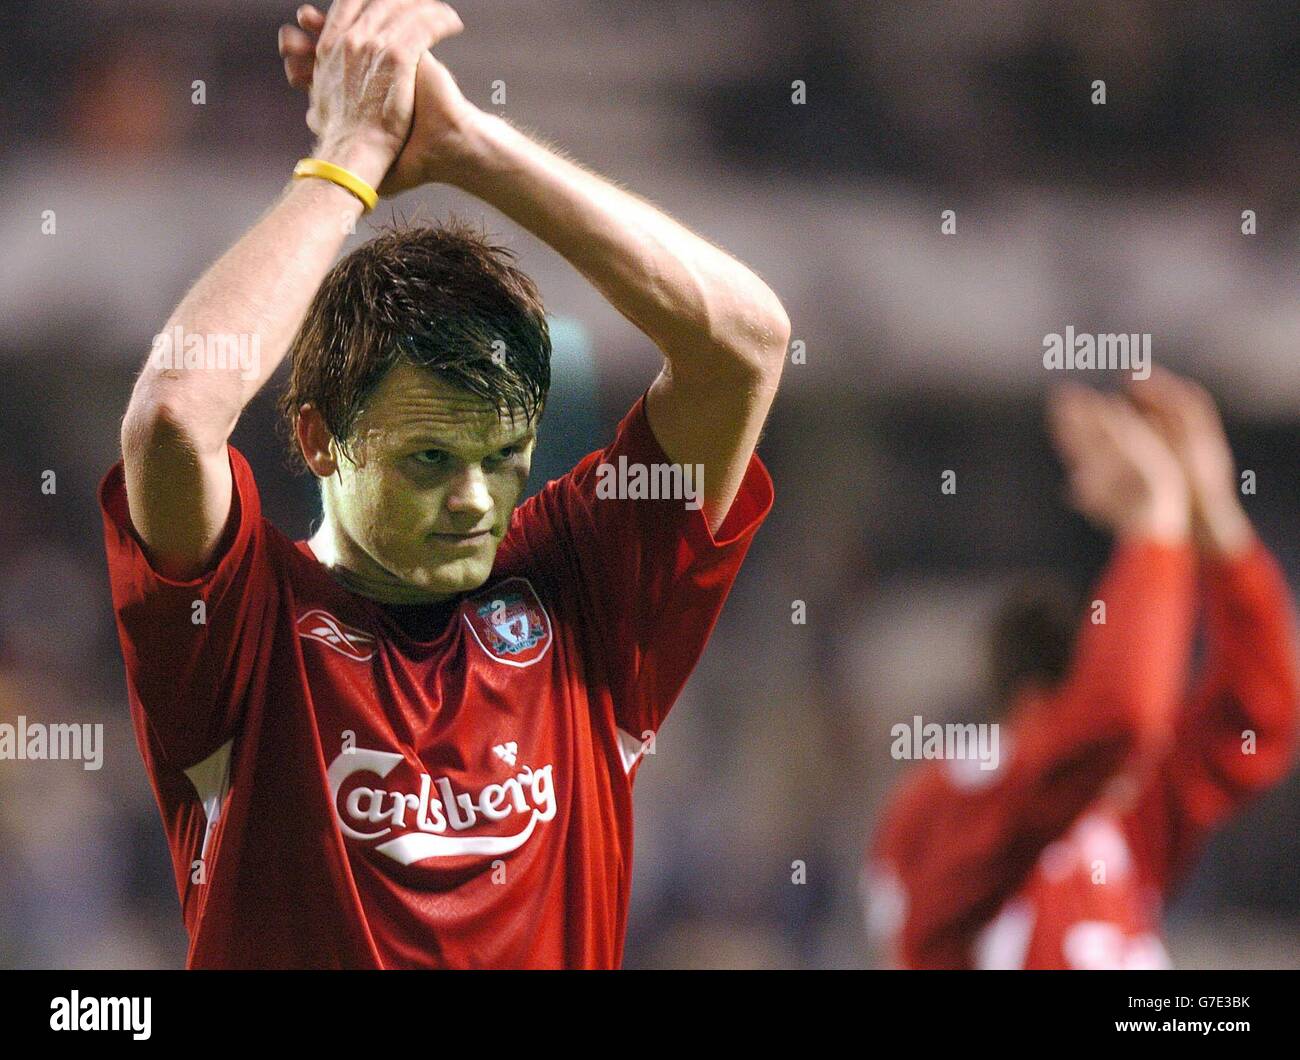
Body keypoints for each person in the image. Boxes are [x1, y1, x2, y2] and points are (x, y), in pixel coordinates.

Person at [98, 0, 789, 969]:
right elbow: (172, 417)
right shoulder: (244, 629)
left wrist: (467, 144)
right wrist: (348, 160)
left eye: (503, 456)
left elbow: (745, 345)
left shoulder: (583, 595)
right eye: (430, 459)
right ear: (321, 439)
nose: (475, 498)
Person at [866, 368, 1298, 969]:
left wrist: (1215, 522)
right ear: (1038, 711)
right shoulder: (956, 815)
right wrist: (1155, 522)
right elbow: (1116, 721)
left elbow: (1258, 712)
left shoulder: (1121, 820)